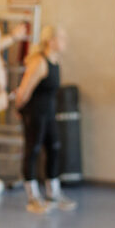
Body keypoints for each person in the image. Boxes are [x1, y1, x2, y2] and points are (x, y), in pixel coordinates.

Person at [15, 25, 76, 213]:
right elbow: (24, 91)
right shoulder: (39, 62)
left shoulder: (55, 62)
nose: (65, 42)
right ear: (50, 41)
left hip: (49, 113)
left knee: (54, 148)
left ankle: (53, 194)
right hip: (34, 113)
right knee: (32, 151)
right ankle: (32, 197)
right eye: (61, 38)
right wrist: (19, 109)